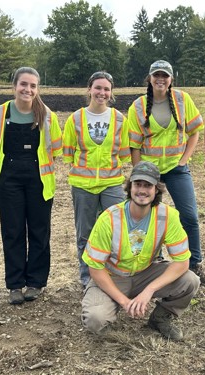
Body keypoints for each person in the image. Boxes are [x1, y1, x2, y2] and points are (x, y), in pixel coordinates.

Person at [81, 161, 200, 340]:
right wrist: (124, 301)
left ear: (156, 190)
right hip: (113, 276)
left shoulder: (168, 216)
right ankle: (110, 312)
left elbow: (182, 262)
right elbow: (95, 268)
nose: (142, 190)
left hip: (146, 274)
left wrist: (149, 290)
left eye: (148, 185)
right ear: (130, 188)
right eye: (137, 184)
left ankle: (160, 319)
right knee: (95, 319)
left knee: (190, 280)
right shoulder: (109, 218)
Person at [127, 60, 205, 286]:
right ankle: (151, 265)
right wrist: (138, 175)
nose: (160, 79)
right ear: (149, 78)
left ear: (171, 79)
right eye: (156, 75)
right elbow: (134, 145)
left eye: (165, 75)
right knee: (148, 218)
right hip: (150, 174)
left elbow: (195, 130)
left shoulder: (182, 100)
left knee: (189, 216)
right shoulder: (138, 106)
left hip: (177, 169)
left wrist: (184, 160)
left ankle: (195, 263)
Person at [0, 67, 62, 305]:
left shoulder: (47, 116)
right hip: (9, 181)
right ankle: (15, 285)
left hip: (38, 181)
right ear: (14, 86)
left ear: (37, 89)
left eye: (33, 86)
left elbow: (56, 151)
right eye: (24, 84)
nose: (27, 90)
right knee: (13, 231)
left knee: (40, 232)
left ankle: (36, 282)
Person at [62, 71, 130, 288]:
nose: (102, 92)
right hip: (83, 186)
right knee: (85, 235)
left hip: (112, 184)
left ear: (111, 93)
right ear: (89, 89)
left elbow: (124, 153)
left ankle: (114, 276)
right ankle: (87, 279)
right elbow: (68, 153)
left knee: (116, 231)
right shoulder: (76, 118)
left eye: (106, 89)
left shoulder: (120, 119)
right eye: (98, 88)